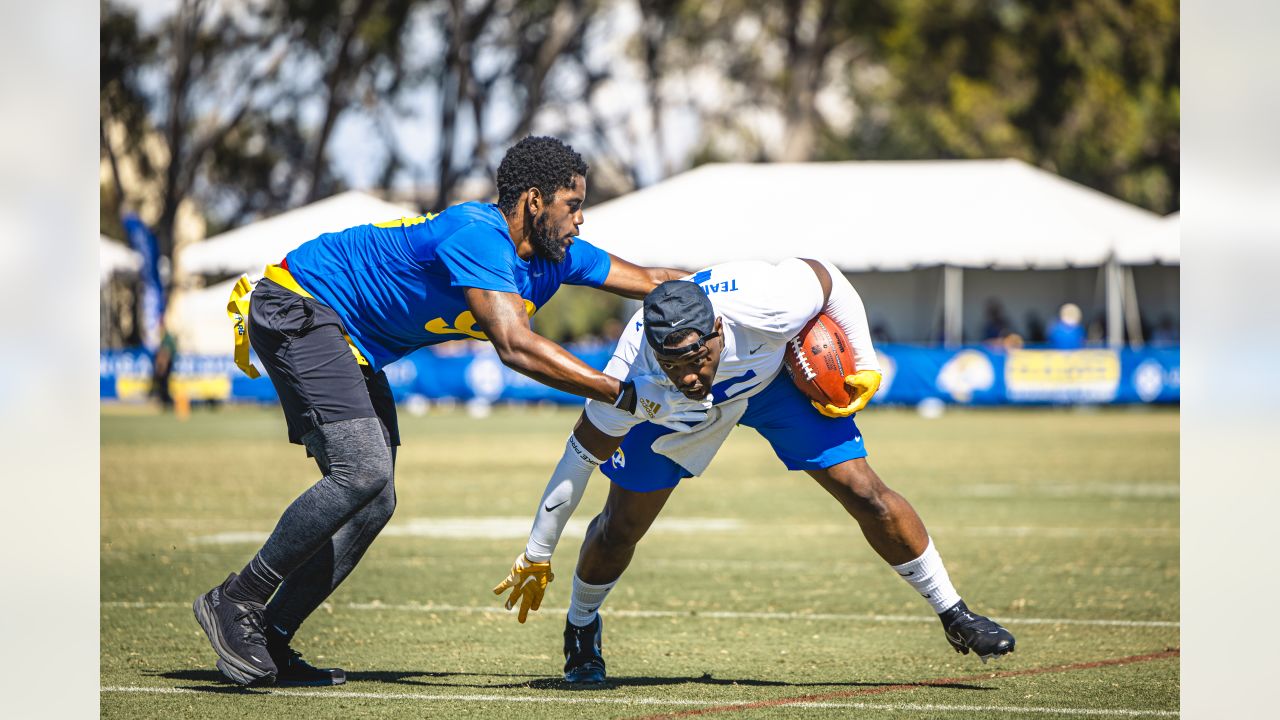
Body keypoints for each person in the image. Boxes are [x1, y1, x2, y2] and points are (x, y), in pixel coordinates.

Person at [194, 136, 711, 687]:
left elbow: (657, 282)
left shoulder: (559, 258)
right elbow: (514, 346)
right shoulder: (478, 234)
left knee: (375, 500)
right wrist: (623, 394)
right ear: (534, 200)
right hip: (299, 302)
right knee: (362, 472)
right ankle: (236, 601)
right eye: (573, 204)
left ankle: (270, 636)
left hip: (351, 339)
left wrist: (727, 294)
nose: (581, 220)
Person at [493, 258, 1016, 684]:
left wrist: (865, 359)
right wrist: (537, 553)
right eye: (673, 365)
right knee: (622, 525)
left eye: (696, 358)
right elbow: (579, 456)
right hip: (674, 418)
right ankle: (581, 627)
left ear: (718, 329)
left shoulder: (767, 301)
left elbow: (830, 279)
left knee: (865, 492)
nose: (689, 374)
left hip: (768, 384)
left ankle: (955, 613)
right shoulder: (633, 372)